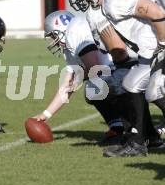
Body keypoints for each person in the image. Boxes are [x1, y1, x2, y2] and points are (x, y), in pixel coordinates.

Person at [69, 0, 165, 157]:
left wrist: (163, 45)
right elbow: (119, 52)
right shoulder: (105, 2)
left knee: (142, 87)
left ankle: (139, 140)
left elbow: (157, 13)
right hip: (146, 52)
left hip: (157, 47)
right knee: (131, 83)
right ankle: (143, 140)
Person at [34, 10, 128, 142]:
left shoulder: (75, 31)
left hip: (126, 69)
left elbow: (94, 66)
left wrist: (77, 79)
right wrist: (46, 114)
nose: (53, 40)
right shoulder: (70, 40)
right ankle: (118, 126)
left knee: (94, 87)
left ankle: (133, 126)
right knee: (94, 87)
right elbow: (67, 84)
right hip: (119, 70)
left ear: (59, 29)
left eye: (53, 35)